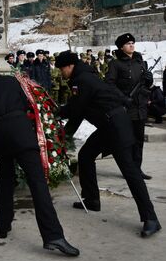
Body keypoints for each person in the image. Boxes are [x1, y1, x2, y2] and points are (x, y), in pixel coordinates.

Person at [0, 57, 79, 256]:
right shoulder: (10, 82)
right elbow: (27, 106)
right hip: (21, 136)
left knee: (5, 180)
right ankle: (53, 236)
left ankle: (3, 226)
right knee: (38, 183)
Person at [55, 50, 161, 238]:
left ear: (69, 66)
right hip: (107, 126)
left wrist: (60, 131)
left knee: (130, 171)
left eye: (61, 69)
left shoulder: (83, 80)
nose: (60, 73)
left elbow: (76, 111)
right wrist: (60, 124)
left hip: (116, 127)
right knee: (85, 156)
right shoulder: (84, 78)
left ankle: (151, 218)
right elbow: (77, 109)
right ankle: (92, 199)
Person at [105, 33, 153, 179]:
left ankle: (137, 169)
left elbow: (145, 85)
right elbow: (109, 84)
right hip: (125, 108)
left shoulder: (140, 62)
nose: (131, 45)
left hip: (140, 107)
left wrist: (148, 81)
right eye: (128, 44)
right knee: (127, 141)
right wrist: (123, 98)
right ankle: (129, 170)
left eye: (133, 43)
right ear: (121, 47)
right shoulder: (115, 64)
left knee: (139, 140)